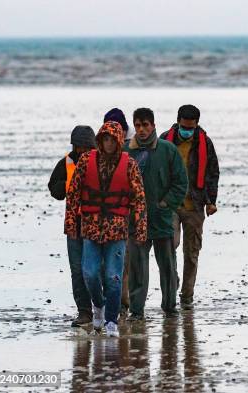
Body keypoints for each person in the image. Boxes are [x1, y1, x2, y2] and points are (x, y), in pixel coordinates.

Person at [65, 121, 147, 337]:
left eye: (112, 140)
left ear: (119, 141)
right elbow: (73, 195)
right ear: (100, 141)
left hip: (117, 231)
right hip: (90, 229)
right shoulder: (85, 161)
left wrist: (140, 229)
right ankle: (98, 305)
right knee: (89, 273)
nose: (109, 143)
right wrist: (71, 224)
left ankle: (111, 320)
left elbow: (139, 199)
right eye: (105, 139)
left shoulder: (129, 164)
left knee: (113, 277)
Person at [124, 108, 188, 320]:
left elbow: (180, 182)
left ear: (153, 125)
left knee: (168, 266)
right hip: (135, 221)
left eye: (146, 125)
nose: (142, 130)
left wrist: (166, 204)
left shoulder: (167, 150)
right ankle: (137, 310)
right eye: (138, 125)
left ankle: (170, 306)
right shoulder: (126, 152)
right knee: (137, 268)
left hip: (161, 218)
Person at [160, 105, 220, 310]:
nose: (187, 131)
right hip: (170, 204)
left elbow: (213, 173)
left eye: (191, 127)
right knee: (170, 244)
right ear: (178, 122)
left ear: (197, 125)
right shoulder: (164, 140)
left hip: (195, 204)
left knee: (192, 252)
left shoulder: (205, 143)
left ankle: (187, 296)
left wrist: (211, 201)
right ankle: (173, 280)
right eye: (184, 127)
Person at [48, 125, 96, 327]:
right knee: (77, 270)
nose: (83, 151)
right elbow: (54, 190)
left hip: (97, 226)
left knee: (95, 271)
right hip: (74, 226)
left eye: (87, 147)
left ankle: (105, 309)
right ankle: (84, 312)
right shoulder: (66, 163)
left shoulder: (101, 162)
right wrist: (68, 185)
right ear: (75, 147)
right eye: (80, 147)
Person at [103, 107, 133, 315]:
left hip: (127, 212)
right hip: (106, 214)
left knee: (125, 259)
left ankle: (123, 301)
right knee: (110, 261)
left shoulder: (132, 148)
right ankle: (115, 301)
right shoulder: (101, 147)